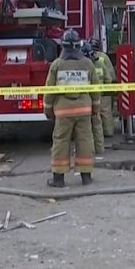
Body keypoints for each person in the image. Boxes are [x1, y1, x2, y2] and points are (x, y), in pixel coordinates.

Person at [44, 29, 100, 187]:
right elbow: (96, 89)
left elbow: (49, 90)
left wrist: (48, 110)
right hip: (84, 110)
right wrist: (95, 107)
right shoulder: (88, 63)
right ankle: (86, 177)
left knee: (61, 142)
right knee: (85, 141)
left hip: (63, 111)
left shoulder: (57, 64)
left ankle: (58, 179)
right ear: (78, 45)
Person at [85, 37, 117, 155]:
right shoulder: (103, 58)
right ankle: (108, 133)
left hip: (90, 94)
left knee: (94, 116)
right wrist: (109, 88)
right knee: (106, 113)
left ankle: (94, 138)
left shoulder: (85, 60)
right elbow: (110, 76)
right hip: (103, 92)